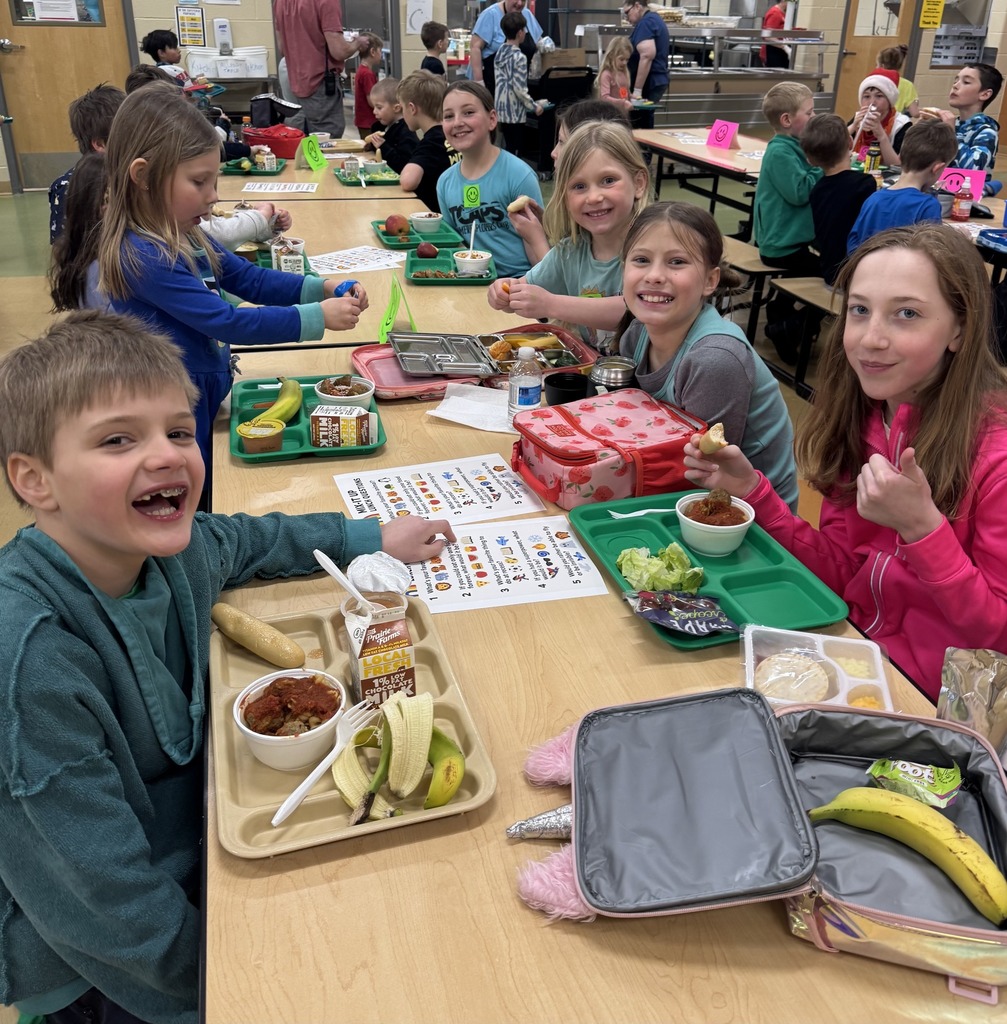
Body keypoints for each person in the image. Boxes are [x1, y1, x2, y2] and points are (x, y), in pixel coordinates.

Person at [0, 309, 455, 1024]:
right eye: (119, 439)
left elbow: (242, 538)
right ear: (35, 480)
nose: (167, 456)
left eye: (180, 431)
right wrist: (236, 990)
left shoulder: (171, 553)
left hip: (205, 855)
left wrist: (369, 534)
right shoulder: (27, 661)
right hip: (107, 969)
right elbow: (101, 901)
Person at [683, 223, 1007, 701]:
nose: (871, 338)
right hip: (852, 651)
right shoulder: (863, 421)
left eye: (907, 314)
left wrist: (923, 531)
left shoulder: (995, 457)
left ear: (960, 328)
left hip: (939, 699)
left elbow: (994, 638)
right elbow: (842, 574)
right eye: (860, 310)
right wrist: (753, 492)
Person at [96, 85, 366, 494]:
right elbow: (226, 321)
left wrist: (321, 286)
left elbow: (246, 278)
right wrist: (316, 317)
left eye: (214, 180)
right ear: (144, 176)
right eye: (199, 182)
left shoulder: (185, 232)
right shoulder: (144, 255)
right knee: (195, 493)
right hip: (170, 408)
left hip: (201, 391)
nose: (214, 196)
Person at [617, 202, 798, 510]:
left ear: (710, 281)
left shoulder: (714, 360)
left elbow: (703, 476)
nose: (655, 275)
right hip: (674, 481)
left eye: (676, 262)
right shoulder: (637, 333)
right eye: (641, 260)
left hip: (750, 519)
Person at [488, 121, 648, 356]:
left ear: (638, 183)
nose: (593, 197)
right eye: (579, 186)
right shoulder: (570, 251)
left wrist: (551, 304)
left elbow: (634, 309)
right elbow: (524, 288)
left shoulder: (653, 248)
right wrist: (504, 292)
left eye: (608, 181)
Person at [436, 81, 543, 278]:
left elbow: (538, 249)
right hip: (469, 281)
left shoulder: (519, 175)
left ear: (492, 119)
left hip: (517, 282)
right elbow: (454, 245)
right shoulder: (444, 182)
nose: (458, 122)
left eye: (468, 112)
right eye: (449, 116)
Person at [752, 81, 822, 363]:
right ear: (787, 120)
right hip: (781, 245)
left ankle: (781, 313)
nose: (815, 117)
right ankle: (787, 326)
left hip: (789, 241)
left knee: (814, 273)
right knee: (831, 279)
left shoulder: (793, 146)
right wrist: (821, 164)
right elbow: (800, 191)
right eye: (810, 112)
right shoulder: (780, 151)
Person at [847, 120, 957, 253]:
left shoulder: (874, 199)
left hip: (866, 270)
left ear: (901, 156)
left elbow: (853, 243)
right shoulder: (928, 205)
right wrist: (957, 240)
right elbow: (933, 255)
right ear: (937, 168)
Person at [273, 0, 371, 138]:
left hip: (295, 81)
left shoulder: (280, 2)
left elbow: (283, 49)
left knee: (298, 138)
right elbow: (339, 51)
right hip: (320, 84)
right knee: (326, 141)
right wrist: (357, 43)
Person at [800, 113, 877, 287]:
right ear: (850, 143)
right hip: (855, 276)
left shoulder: (816, 191)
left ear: (810, 161)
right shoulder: (865, 184)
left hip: (829, 272)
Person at [48, 83, 124, 243]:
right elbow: (64, 250)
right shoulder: (69, 187)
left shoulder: (132, 173)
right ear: (101, 144)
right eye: (128, 132)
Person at [920, 63, 1003, 176]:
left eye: (966, 82)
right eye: (956, 81)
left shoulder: (987, 132)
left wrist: (950, 133)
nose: (955, 86)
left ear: (985, 94)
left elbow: (973, 171)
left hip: (960, 192)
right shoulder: (950, 123)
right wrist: (921, 129)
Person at [397, 69, 457, 212]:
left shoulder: (430, 143)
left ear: (412, 108)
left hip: (437, 215)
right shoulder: (454, 136)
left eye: (402, 108)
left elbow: (408, 181)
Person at [468, 0, 543, 99]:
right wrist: (480, 85)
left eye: (524, 0)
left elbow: (538, 40)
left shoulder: (527, 14)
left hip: (520, 88)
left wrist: (544, 44)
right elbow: (475, 47)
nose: (520, 3)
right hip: (492, 87)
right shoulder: (490, 15)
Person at [494, 11, 544, 156]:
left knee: (504, 149)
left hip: (500, 109)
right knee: (515, 151)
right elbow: (519, 88)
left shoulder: (499, 53)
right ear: (520, 32)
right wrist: (535, 106)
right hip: (514, 112)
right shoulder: (519, 57)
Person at [848, 68, 911, 168]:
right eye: (867, 96)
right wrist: (853, 126)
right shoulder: (858, 118)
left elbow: (897, 166)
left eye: (879, 96)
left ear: (889, 101)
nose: (872, 102)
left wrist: (881, 134)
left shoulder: (902, 124)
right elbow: (833, 147)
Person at [362, 77, 419, 174]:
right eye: (374, 107)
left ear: (396, 108)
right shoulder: (382, 127)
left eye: (379, 107)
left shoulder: (406, 132)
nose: (374, 111)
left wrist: (383, 147)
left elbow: (404, 165)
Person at [622, 1, 670, 106]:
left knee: (641, 118)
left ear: (637, 6)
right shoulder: (654, 19)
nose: (626, 18)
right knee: (645, 117)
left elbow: (647, 56)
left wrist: (637, 91)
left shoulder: (646, 23)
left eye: (627, 13)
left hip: (649, 82)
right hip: (657, 79)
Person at [353, 32, 384, 140]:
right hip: (368, 122)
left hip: (363, 120)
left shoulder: (361, 70)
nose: (381, 54)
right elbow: (372, 100)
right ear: (373, 52)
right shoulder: (367, 74)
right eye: (380, 51)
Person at [877, 44, 919, 118]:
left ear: (882, 66)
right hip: (896, 124)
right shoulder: (907, 85)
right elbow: (915, 113)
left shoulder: (875, 81)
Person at [596, 36, 634, 113]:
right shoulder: (606, 74)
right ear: (611, 55)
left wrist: (634, 98)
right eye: (621, 59)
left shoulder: (624, 73)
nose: (624, 63)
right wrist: (623, 103)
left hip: (623, 114)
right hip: (610, 114)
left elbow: (624, 92)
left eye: (627, 59)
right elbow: (604, 98)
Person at [760, 0, 789, 69]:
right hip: (773, 51)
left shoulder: (783, 13)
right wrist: (785, 47)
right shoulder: (775, 13)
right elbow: (768, 37)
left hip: (779, 51)